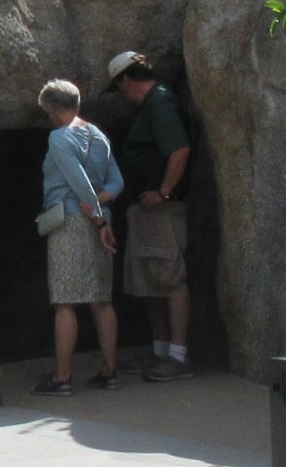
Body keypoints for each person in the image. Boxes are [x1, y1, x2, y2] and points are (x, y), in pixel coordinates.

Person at [107, 50, 196, 381]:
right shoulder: (150, 107)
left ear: (127, 79)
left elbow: (180, 150)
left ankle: (178, 355)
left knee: (170, 277)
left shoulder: (160, 102)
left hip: (161, 209)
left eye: (118, 88)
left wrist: (164, 192)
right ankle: (160, 350)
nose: (121, 96)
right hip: (144, 208)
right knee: (150, 279)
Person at [34, 79, 123, 395]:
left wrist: (98, 219)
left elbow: (79, 181)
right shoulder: (98, 135)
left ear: (53, 108)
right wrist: (103, 207)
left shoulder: (60, 137)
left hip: (71, 222)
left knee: (65, 301)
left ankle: (62, 377)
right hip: (101, 221)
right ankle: (109, 371)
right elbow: (117, 181)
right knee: (101, 299)